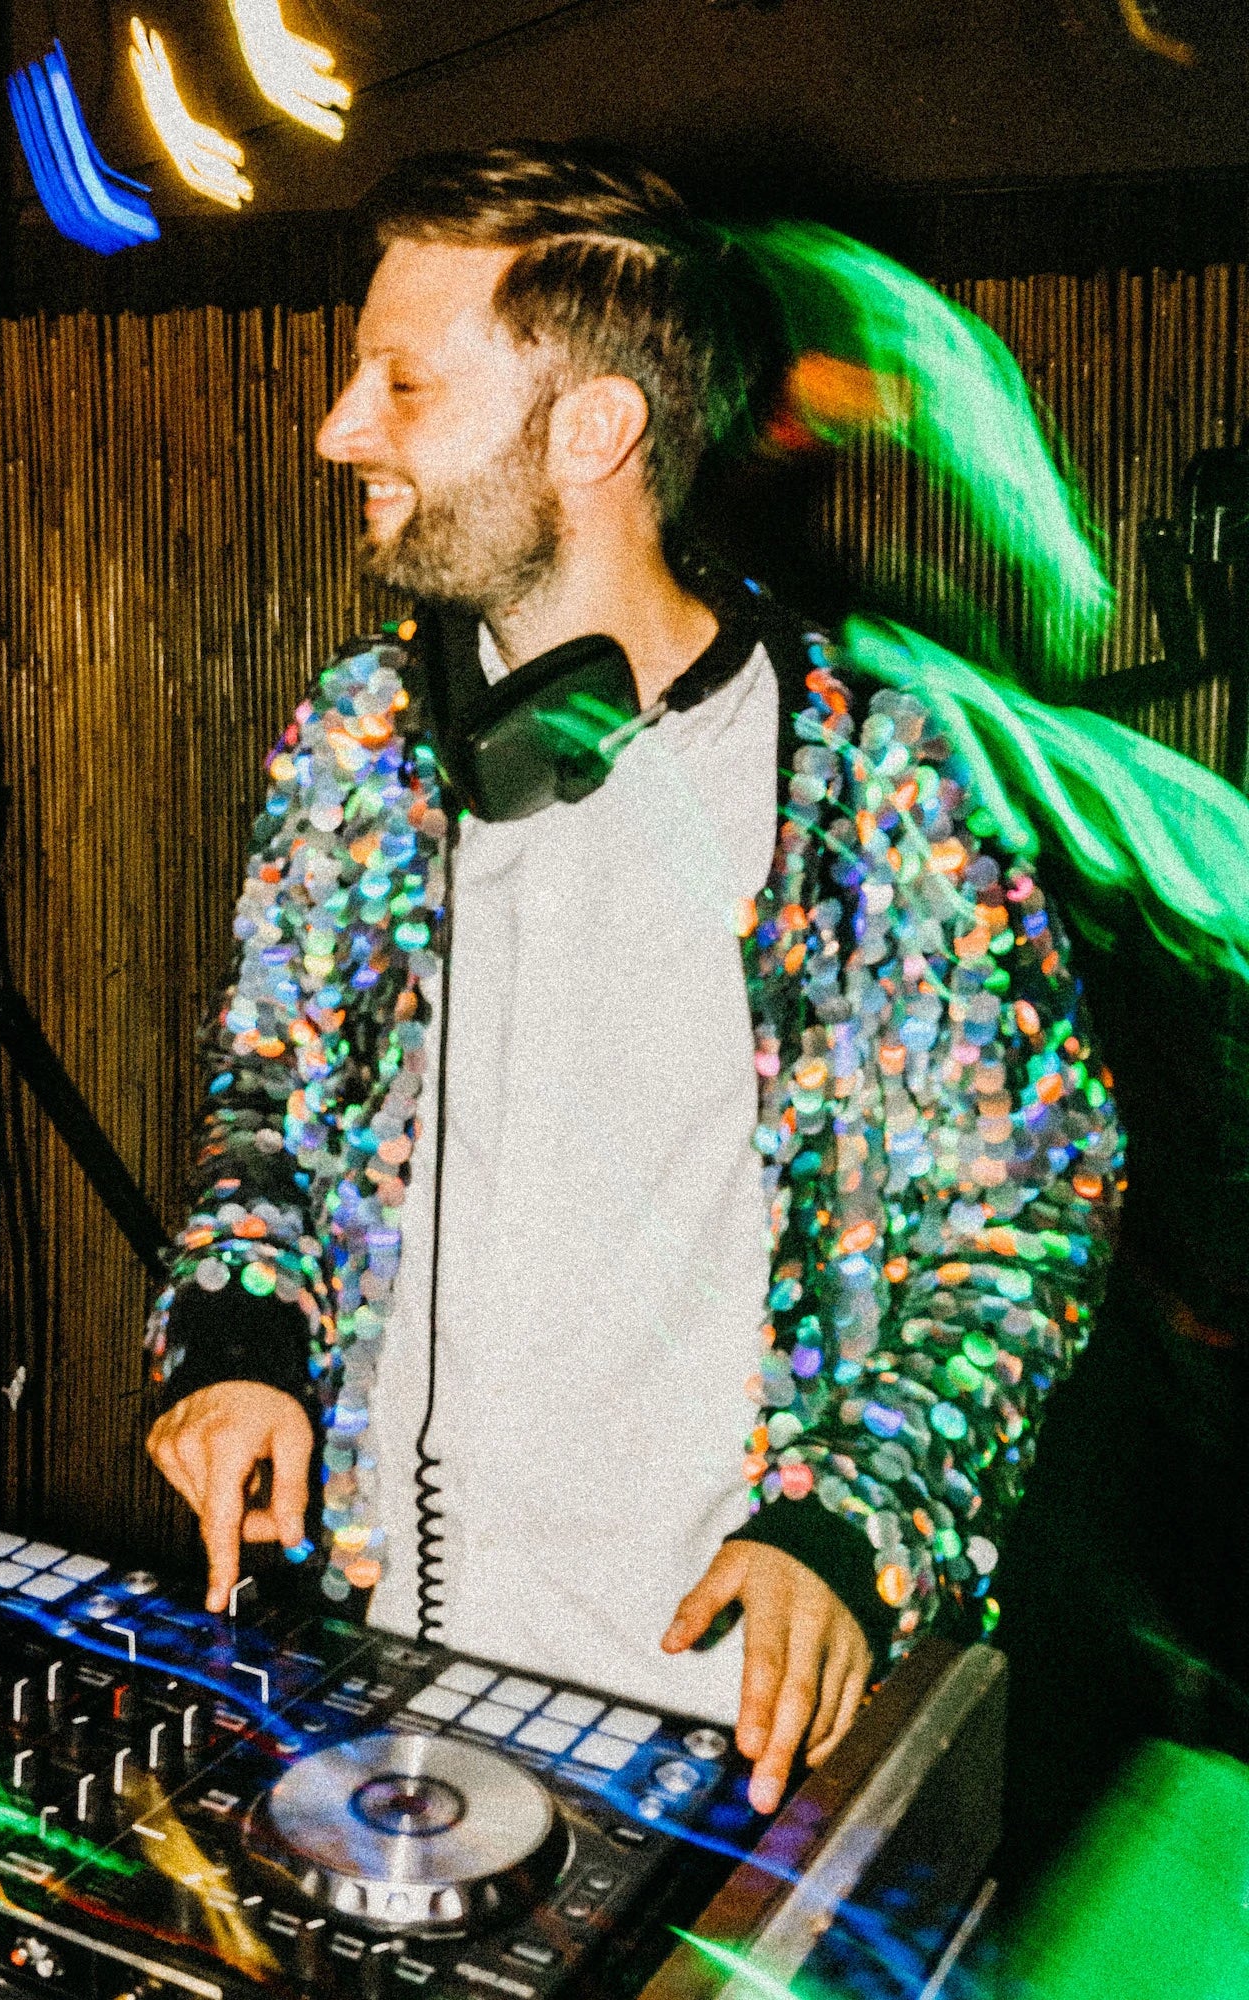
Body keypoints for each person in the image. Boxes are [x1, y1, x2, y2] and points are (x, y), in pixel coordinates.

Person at [142, 144, 1124, 1817]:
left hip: (716, 1719)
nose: (338, 429)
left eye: (402, 381)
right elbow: (271, 1109)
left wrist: (853, 1516)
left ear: (593, 431)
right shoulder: (360, 745)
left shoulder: (881, 781)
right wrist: (237, 1335)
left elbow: (1036, 1199)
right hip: (364, 1691)